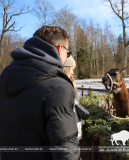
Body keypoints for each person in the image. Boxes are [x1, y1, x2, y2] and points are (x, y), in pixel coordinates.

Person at [0, 26, 80, 160]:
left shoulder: (6, 77)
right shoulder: (59, 87)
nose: (67, 56)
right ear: (60, 49)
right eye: (68, 52)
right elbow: (66, 151)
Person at [63, 55, 85, 141]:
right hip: (69, 129)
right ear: (66, 68)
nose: (73, 73)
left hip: (76, 124)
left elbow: (76, 102)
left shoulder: (72, 82)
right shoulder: (63, 85)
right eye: (72, 69)